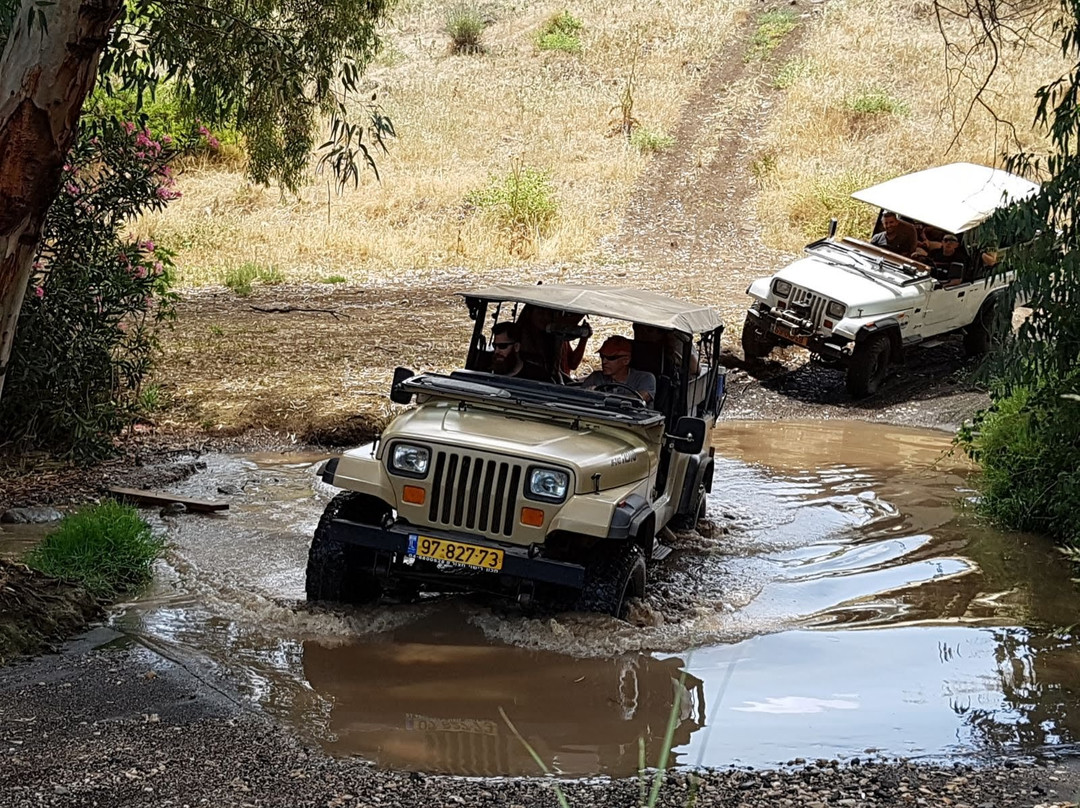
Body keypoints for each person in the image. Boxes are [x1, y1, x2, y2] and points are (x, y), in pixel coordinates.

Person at [579, 335, 656, 402]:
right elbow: (579, 397)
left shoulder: (644, 378)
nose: (604, 361)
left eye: (611, 358)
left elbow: (640, 398)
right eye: (602, 356)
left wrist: (599, 395)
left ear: (626, 360)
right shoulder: (596, 377)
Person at [631, 323, 699, 377]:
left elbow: (695, 368)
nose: (643, 334)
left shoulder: (676, 341)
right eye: (637, 329)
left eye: (649, 330)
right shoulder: (633, 350)